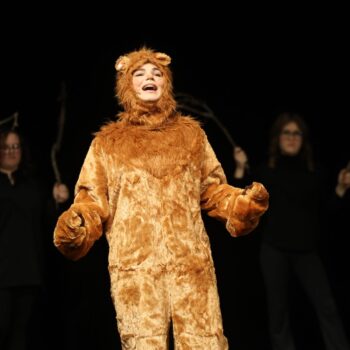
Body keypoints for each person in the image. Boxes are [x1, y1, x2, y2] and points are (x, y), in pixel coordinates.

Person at [53, 47, 269, 350]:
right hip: (136, 270)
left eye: (157, 73)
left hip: (190, 265)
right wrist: (78, 224)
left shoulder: (192, 136)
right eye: (139, 74)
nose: (149, 78)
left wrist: (239, 204)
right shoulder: (108, 144)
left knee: (204, 343)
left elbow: (211, 189)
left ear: (167, 83)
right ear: (127, 85)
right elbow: (92, 198)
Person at [233, 112, 350, 350]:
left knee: (327, 307)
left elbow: (327, 213)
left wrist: (340, 187)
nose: (291, 137)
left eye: (297, 133)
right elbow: (240, 208)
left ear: (303, 139)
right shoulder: (264, 172)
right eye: (286, 132)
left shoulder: (316, 173)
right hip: (274, 250)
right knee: (278, 315)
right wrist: (239, 169)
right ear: (278, 138)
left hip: (306, 252)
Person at [0, 127, 69, 350]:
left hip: (28, 273)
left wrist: (58, 199)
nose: (11, 151)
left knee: (20, 334)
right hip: (1, 275)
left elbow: (49, 219)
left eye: (15, 146)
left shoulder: (32, 185)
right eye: (6, 147)